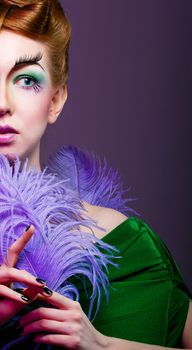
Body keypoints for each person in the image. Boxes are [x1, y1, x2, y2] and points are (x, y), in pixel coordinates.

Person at [0, 0, 191, 349]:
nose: (2, 102)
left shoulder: (123, 245)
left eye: (26, 79)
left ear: (55, 99)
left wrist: (102, 345)